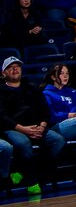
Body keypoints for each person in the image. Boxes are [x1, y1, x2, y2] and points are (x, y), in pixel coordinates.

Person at [0, 56, 64, 195]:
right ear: (3, 73)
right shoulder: (1, 91)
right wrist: (23, 129)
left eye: (17, 66)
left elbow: (45, 110)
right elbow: (2, 117)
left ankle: (27, 172)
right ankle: (32, 182)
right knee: (23, 143)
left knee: (58, 140)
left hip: (36, 127)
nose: (15, 69)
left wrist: (42, 126)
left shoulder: (32, 87)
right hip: (14, 129)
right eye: (10, 67)